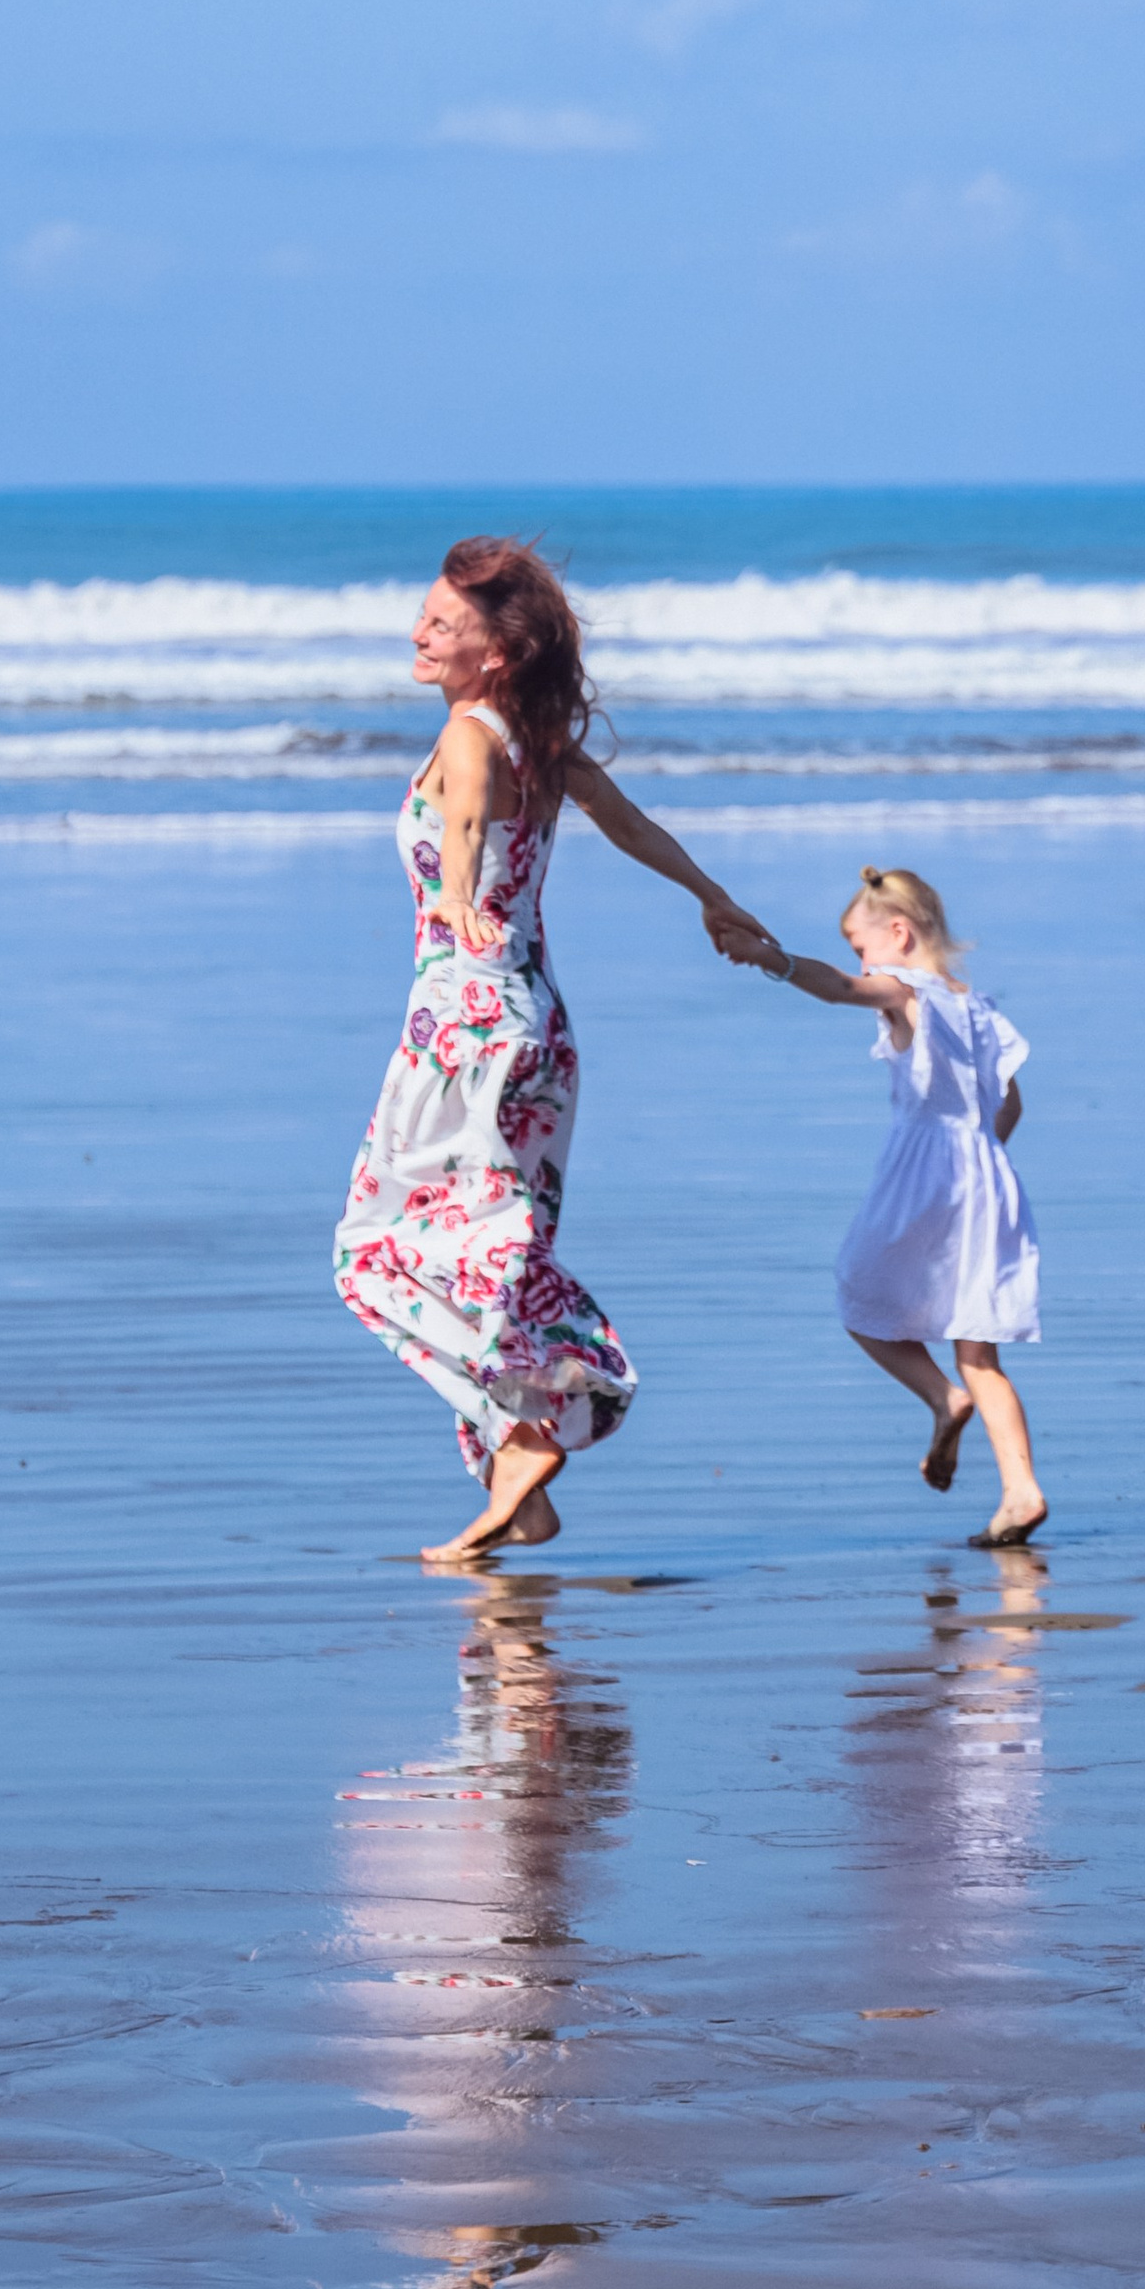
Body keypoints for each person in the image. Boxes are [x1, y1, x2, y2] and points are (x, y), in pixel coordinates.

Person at [335, 538, 772, 1563]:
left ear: (495, 652)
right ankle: (517, 1481)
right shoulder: (541, 739)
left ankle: (545, 1415)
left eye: (443, 624)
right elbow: (630, 827)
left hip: (466, 1021)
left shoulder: (473, 734)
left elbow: (467, 821)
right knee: (489, 1231)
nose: (418, 634)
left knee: (380, 1249)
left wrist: (452, 896)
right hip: (533, 1023)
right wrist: (716, 899)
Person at [741, 865, 1049, 1547]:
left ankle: (943, 1399)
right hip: (991, 1175)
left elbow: (841, 988)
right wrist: (981, 1162)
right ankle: (1021, 1490)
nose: (861, 959)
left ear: (899, 933)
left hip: (927, 1169)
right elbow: (1014, 1103)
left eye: (861, 943)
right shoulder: (981, 1007)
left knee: (862, 1295)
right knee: (980, 1351)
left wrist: (776, 960)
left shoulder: (905, 992)